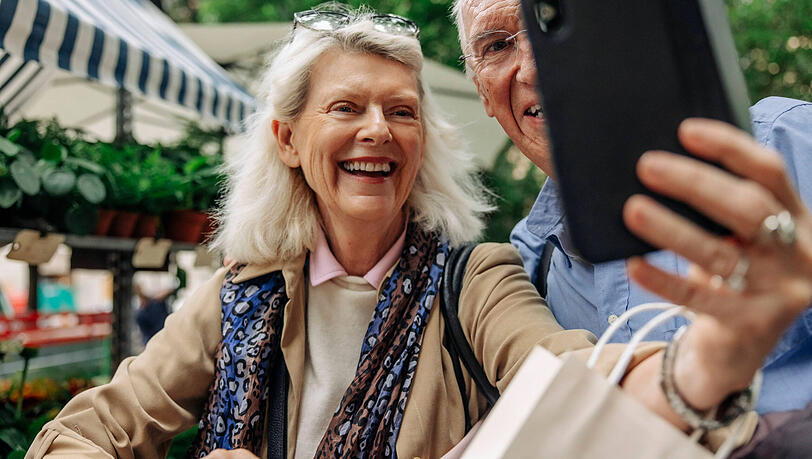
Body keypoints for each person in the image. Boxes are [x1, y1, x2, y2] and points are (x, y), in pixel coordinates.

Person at [26, 5, 807, 459]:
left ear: (423, 143)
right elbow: (82, 432)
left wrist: (712, 355)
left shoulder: (484, 276)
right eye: (346, 108)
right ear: (288, 141)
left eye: (402, 111)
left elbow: (577, 375)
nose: (378, 131)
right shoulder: (247, 291)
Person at [452, 0, 812, 414]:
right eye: (497, 46)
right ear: (482, 90)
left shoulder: (786, 145)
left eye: (550, 23)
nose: (534, 70)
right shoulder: (526, 267)